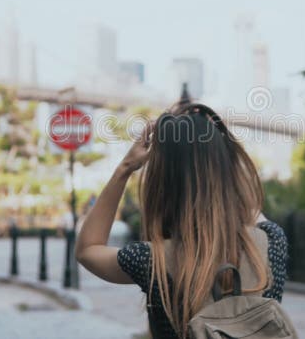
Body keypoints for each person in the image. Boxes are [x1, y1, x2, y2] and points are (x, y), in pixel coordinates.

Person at [76, 103, 288, 338]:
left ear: (161, 185)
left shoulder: (152, 261)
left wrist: (126, 168)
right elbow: (248, 207)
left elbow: (87, 249)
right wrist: (220, 152)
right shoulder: (271, 243)